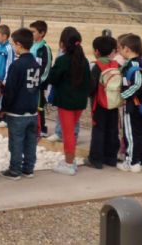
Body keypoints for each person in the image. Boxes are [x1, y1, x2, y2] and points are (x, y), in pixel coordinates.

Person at [48, 27, 91, 176]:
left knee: (68, 134)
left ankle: (68, 163)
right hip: (79, 103)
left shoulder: (62, 60)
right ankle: (70, 160)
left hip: (66, 103)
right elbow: (88, 83)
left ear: (63, 44)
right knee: (70, 131)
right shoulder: (84, 61)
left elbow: (52, 78)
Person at [0, 28, 41, 180]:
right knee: (30, 141)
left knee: (16, 141)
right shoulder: (35, 64)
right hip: (32, 109)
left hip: (17, 111)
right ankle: (28, 169)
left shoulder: (16, 66)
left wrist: (4, 108)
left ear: (18, 44)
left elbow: (10, 90)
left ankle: (14, 170)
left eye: (13, 44)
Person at [86, 36, 121, 169]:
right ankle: (111, 158)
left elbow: (91, 88)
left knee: (98, 130)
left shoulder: (97, 66)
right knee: (113, 129)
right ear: (113, 51)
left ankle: (96, 159)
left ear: (96, 51)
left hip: (99, 103)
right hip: (114, 103)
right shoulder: (117, 65)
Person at [117, 34, 142, 173]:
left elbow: (137, 84)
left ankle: (132, 162)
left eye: (121, 48)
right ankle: (141, 160)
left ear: (127, 49)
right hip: (141, 106)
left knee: (131, 134)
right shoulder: (141, 62)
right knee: (139, 134)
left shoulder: (133, 64)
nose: (119, 51)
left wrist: (123, 96)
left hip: (133, 106)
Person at [30, 20, 53, 137]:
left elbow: (47, 67)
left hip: (38, 84)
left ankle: (42, 128)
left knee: (39, 105)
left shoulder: (45, 48)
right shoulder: (31, 46)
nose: (31, 34)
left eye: (33, 32)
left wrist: (39, 81)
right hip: (29, 82)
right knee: (31, 104)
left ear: (42, 33)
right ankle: (32, 126)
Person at [0, 25, 15, 128]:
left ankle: (1, 118)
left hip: (2, 79)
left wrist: (6, 79)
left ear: (5, 36)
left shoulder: (9, 48)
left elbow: (9, 64)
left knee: (1, 99)